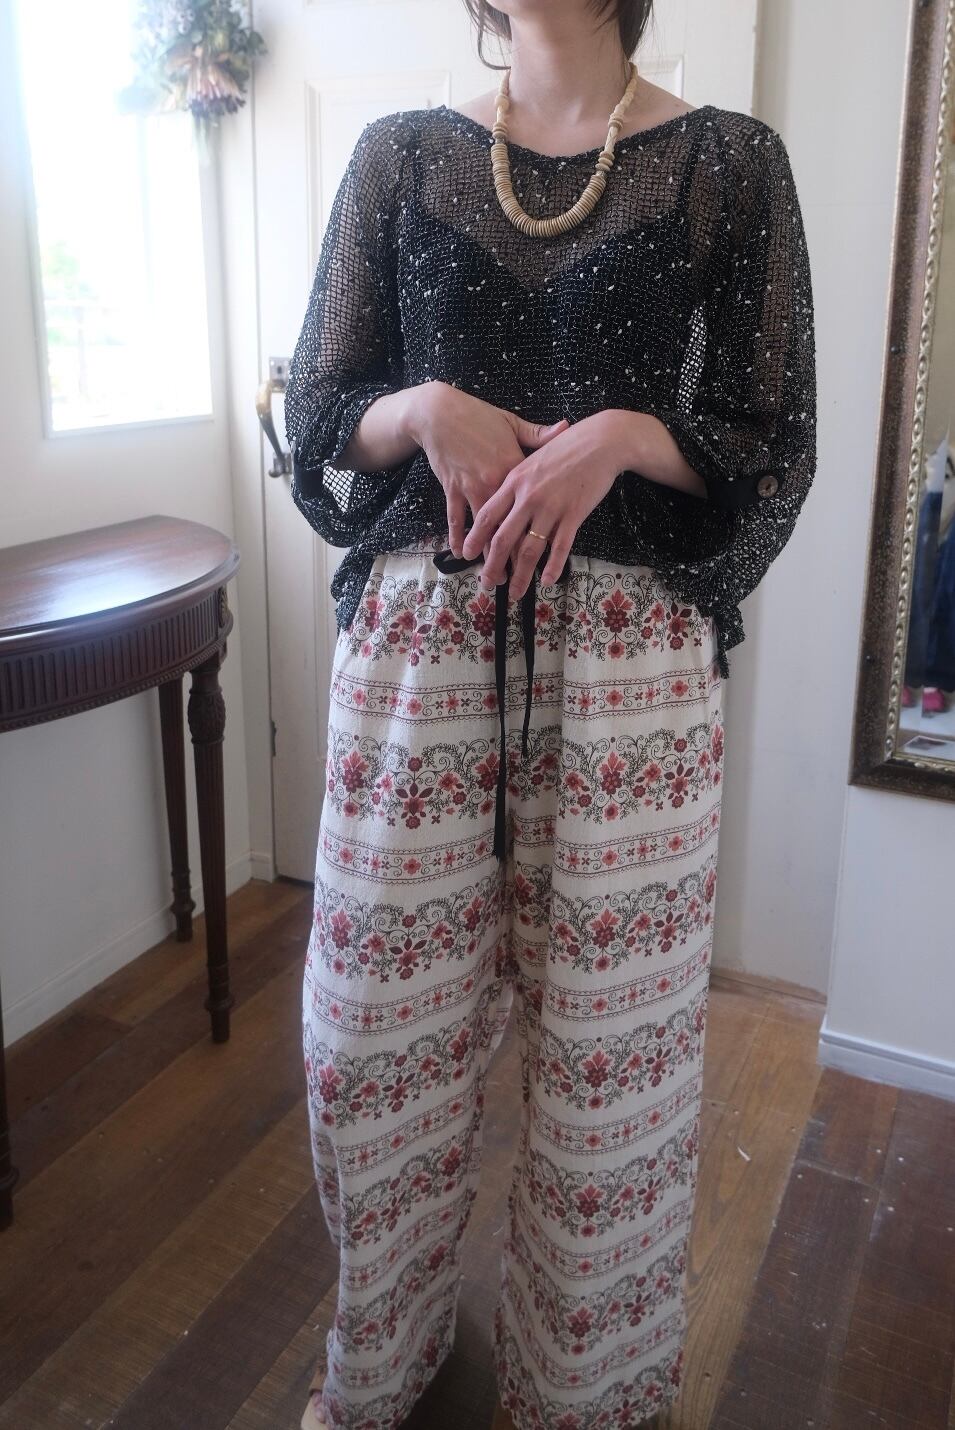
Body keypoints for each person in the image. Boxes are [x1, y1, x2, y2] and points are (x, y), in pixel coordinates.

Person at [285, 2, 817, 1427]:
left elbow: (776, 439)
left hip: (630, 678)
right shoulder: (399, 158)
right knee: (367, 1045)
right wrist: (424, 408)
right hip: (418, 661)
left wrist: (629, 437)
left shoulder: (731, 166)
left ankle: (581, 1397)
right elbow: (322, 409)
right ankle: (377, 1362)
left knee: (610, 1087)